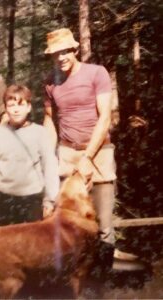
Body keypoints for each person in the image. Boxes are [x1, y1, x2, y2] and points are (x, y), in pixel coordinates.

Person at [43, 28, 138, 261]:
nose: (62, 57)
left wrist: (87, 157)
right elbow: (49, 120)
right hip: (67, 156)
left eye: (66, 51)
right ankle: (78, 281)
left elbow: (105, 117)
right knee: (70, 221)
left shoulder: (97, 73)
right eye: (56, 53)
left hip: (99, 154)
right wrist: (47, 156)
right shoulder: (50, 83)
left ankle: (105, 281)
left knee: (103, 223)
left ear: (75, 50)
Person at [0, 84, 60, 226]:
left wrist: (49, 200)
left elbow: (50, 168)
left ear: (29, 107)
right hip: (4, 199)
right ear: (5, 108)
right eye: (11, 105)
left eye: (20, 105)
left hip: (32, 199)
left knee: (32, 244)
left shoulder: (40, 133)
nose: (16, 110)